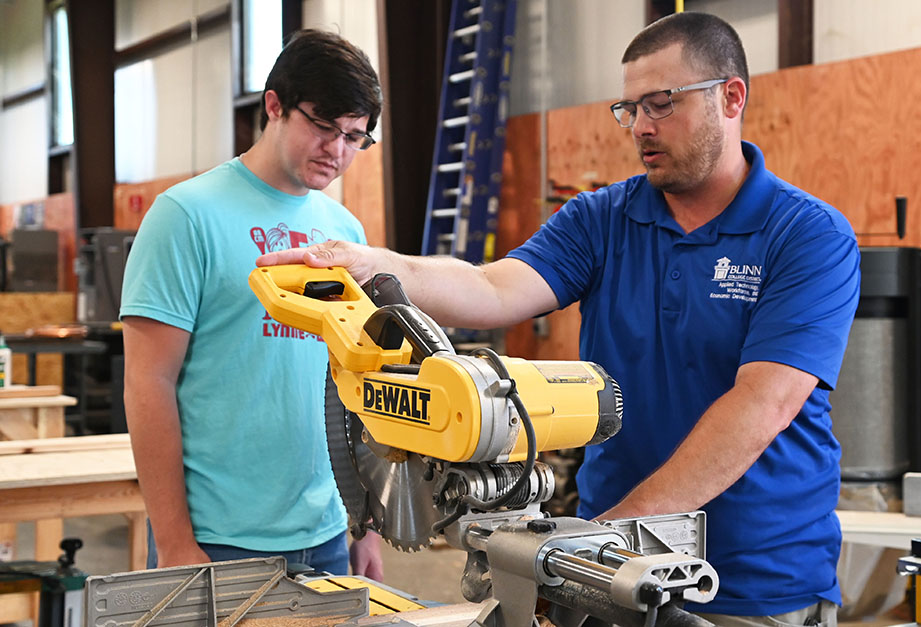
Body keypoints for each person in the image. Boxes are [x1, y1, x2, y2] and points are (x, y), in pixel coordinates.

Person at [258, 12, 860, 626]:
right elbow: (493, 287)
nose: (641, 128)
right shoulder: (602, 219)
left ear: (731, 97)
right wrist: (375, 264)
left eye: (660, 104)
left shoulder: (807, 235)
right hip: (613, 575)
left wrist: (602, 539)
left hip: (756, 584)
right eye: (628, 109)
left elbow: (760, 406)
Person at [121, 29, 383, 580]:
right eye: (323, 126)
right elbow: (149, 383)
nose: (337, 151)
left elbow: (354, 383)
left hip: (328, 532)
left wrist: (365, 522)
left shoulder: (343, 231)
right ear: (274, 106)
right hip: (217, 539)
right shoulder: (186, 216)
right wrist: (173, 542)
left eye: (355, 137)